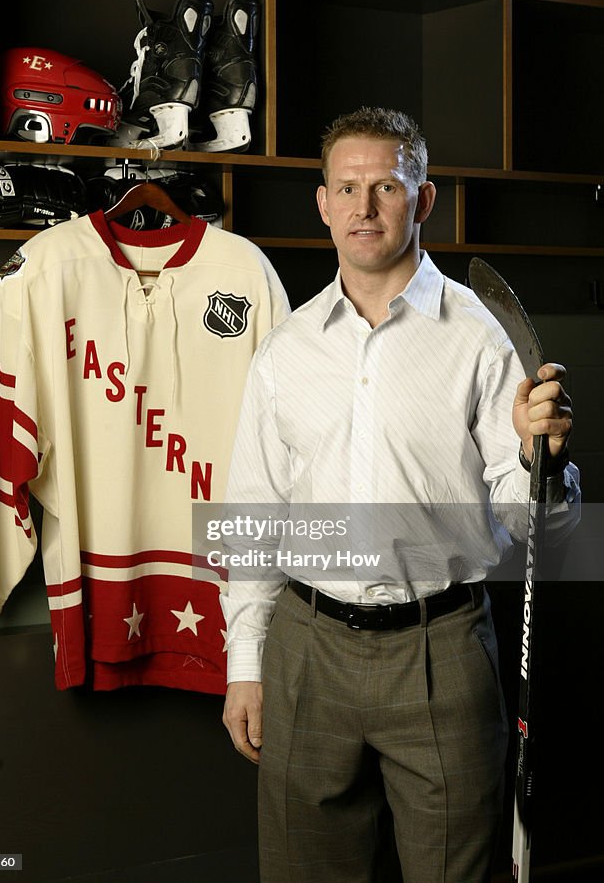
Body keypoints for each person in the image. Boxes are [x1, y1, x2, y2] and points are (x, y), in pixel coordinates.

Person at [220, 107, 580, 883]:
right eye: (346, 188)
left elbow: (533, 525)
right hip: (305, 648)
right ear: (322, 203)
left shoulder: (480, 336)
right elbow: (253, 514)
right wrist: (244, 663)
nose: (364, 207)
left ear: (421, 200)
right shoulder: (286, 349)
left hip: (441, 649)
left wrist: (535, 454)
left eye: (386, 185)